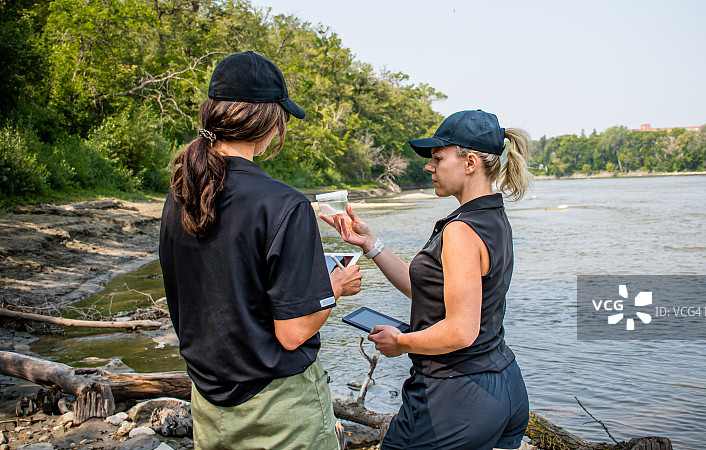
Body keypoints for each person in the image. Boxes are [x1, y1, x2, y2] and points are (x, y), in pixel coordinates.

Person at [159, 50, 362, 450]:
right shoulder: (285, 205)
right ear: (271, 122)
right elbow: (292, 333)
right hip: (277, 411)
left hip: (208, 402)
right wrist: (334, 286)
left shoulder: (180, 194)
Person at [322, 109, 531, 449]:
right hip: (504, 387)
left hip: (454, 397)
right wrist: (371, 244)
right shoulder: (492, 216)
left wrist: (401, 342)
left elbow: (461, 331)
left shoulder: (462, 230)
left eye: (437, 158)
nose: (428, 167)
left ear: (470, 162)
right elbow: (431, 291)